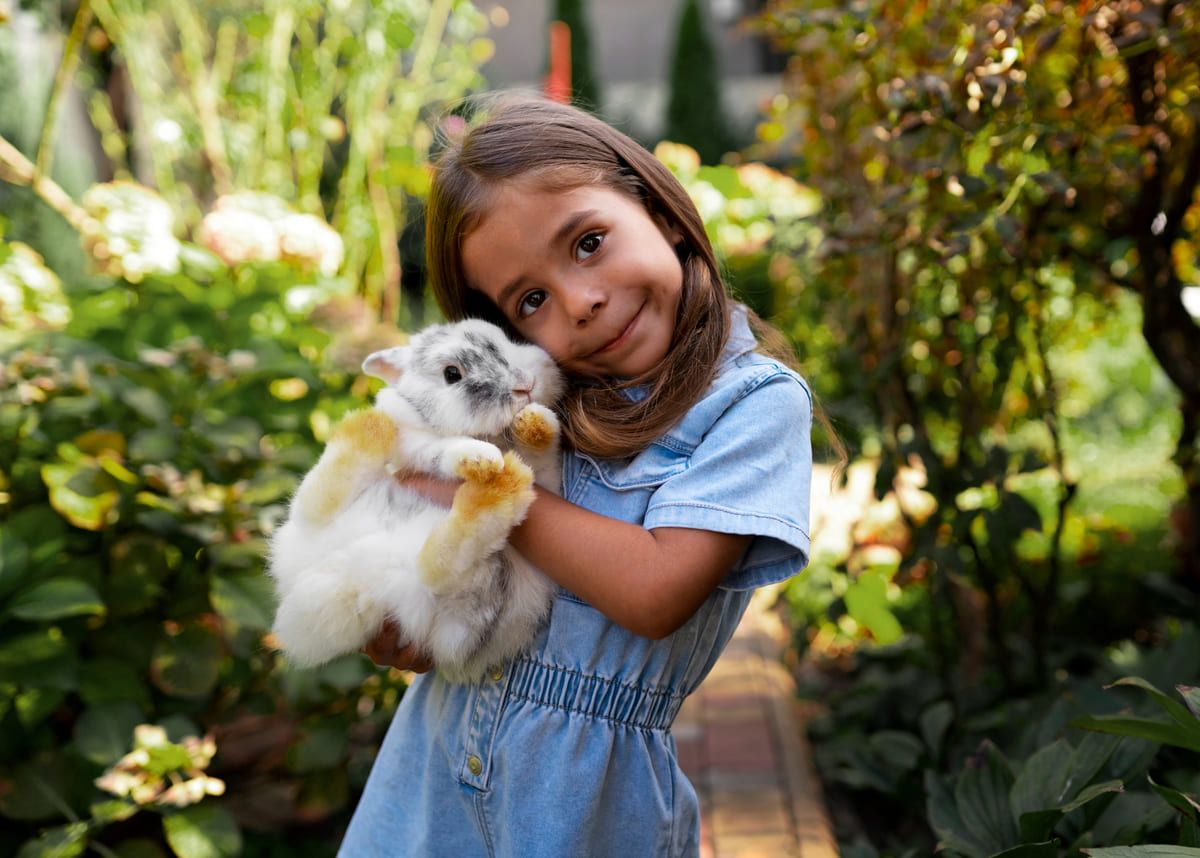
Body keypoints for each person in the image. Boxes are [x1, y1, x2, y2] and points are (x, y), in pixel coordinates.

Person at [338, 94, 816, 858]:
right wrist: (408, 623)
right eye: (533, 300)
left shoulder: (751, 406)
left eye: (589, 242)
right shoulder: (534, 408)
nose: (582, 302)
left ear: (655, 205)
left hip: (584, 810)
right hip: (426, 784)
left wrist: (488, 498)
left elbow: (656, 591)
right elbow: (456, 600)